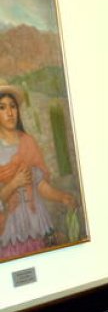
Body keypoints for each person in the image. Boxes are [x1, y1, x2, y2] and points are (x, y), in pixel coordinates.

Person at [0, 85, 76, 260]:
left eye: (13, 106)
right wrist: (14, 184)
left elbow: (40, 185)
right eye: (2, 107)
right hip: (11, 226)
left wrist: (62, 197)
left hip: (36, 220)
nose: (10, 112)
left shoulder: (29, 142)